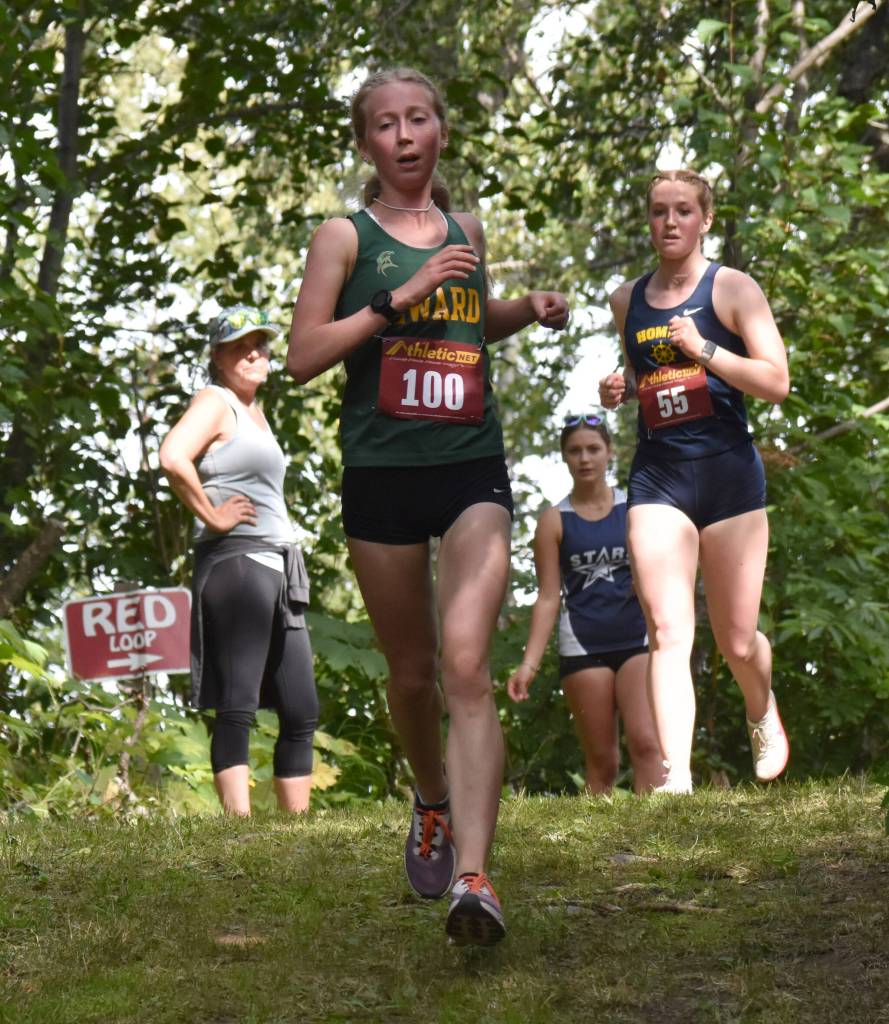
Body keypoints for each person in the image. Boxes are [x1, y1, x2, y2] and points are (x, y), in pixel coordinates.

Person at [287, 67, 568, 945]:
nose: (404, 135)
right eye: (384, 124)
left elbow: (466, 325)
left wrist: (524, 307)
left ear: (441, 131)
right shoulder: (345, 236)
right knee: (410, 677)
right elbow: (301, 357)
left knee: (464, 667)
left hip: (468, 465)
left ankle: (475, 880)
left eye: (417, 119)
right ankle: (432, 801)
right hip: (381, 474)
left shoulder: (465, 228)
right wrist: (393, 299)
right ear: (365, 143)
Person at [599, 169, 790, 793]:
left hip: (730, 476)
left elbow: (776, 382)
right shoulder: (626, 298)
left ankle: (761, 708)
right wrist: (619, 388)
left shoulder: (732, 288)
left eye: (684, 210)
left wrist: (705, 349)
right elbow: (641, 375)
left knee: (737, 641)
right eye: (659, 211)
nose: (670, 221)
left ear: (705, 220)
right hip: (659, 479)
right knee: (668, 630)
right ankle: (674, 777)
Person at [160, 305, 318, 816]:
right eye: (238, 345)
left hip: (278, 565)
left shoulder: (255, 413)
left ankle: (296, 833)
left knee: (300, 709)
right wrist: (213, 514)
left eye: (260, 344)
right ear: (218, 358)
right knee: (239, 702)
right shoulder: (215, 400)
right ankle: (239, 829)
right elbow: (172, 455)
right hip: (237, 563)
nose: (253, 352)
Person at [507, 414, 664, 794]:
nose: (585, 459)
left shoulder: (635, 508)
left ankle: (658, 839)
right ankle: (600, 850)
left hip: (637, 639)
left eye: (593, 449)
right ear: (564, 457)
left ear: (609, 452)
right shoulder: (553, 521)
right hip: (582, 645)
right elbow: (547, 597)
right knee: (603, 761)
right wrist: (528, 664)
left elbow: (662, 572)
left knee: (648, 744)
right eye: (575, 451)